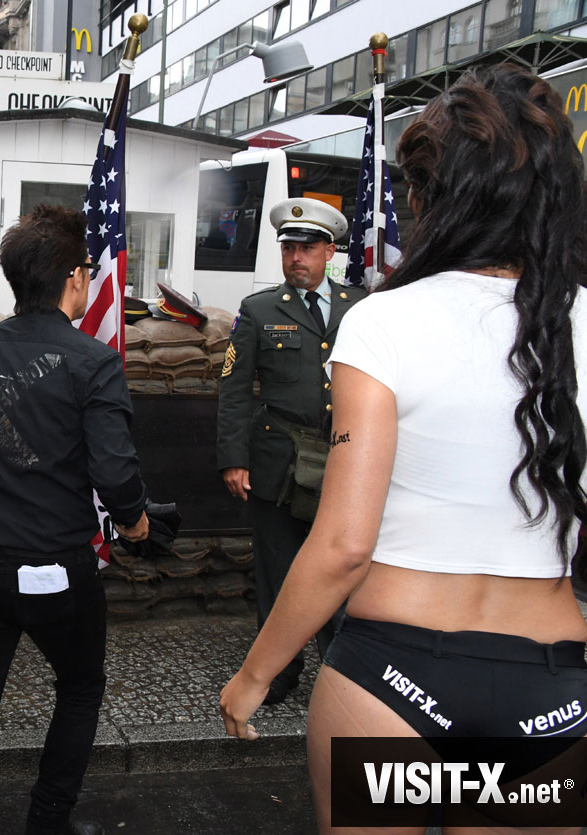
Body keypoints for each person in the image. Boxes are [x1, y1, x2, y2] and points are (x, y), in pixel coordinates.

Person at [219, 65, 587, 827]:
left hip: (393, 675)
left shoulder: (384, 321)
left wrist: (255, 673)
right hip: (546, 687)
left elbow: (345, 544)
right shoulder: (577, 318)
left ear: (429, 197)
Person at [0, 204, 150, 835]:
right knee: (81, 688)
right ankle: (47, 821)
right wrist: (136, 525)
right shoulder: (92, 362)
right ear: (74, 278)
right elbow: (115, 474)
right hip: (60, 563)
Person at [215, 196, 366, 705]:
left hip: (343, 458)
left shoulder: (360, 307)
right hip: (277, 459)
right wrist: (234, 459)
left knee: (337, 568)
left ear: (330, 252)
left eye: (307, 248)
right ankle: (278, 672)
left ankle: (339, 671)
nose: (296, 258)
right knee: (277, 568)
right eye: (289, 249)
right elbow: (235, 389)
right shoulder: (258, 310)